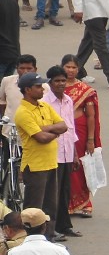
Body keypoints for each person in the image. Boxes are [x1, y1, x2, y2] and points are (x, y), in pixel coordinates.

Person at [13, 73, 70, 232]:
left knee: (50, 207)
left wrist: (46, 129)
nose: (42, 89)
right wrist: (54, 132)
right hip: (35, 166)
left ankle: (49, 238)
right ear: (27, 89)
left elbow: (63, 126)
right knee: (33, 210)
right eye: (38, 86)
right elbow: (41, 138)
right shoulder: (23, 112)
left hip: (51, 163)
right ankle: (30, 239)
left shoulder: (44, 106)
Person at [40, 66, 79, 242]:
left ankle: (65, 225)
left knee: (65, 191)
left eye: (63, 80)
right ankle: (50, 229)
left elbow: (71, 127)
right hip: (52, 153)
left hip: (67, 152)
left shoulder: (68, 100)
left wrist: (75, 154)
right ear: (50, 83)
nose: (61, 84)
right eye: (57, 81)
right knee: (52, 195)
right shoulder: (45, 102)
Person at [60, 55, 98, 217]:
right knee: (63, 165)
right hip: (60, 131)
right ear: (62, 67)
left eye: (74, 67)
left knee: (80, 166)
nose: (71, 70)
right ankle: (64, 202)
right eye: (68, 67)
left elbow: (91, 116)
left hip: (80, 131)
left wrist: (91, 139)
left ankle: (84, 203)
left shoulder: (85, 89)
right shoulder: (54, 87)